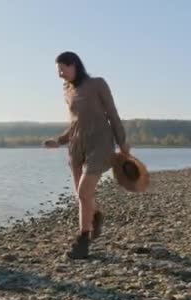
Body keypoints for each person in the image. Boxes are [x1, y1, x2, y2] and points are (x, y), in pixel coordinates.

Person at [44, 51, 130, 259]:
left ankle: (82, 241)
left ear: (73, 65)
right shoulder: (67, 90)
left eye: (62, 70)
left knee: (84, 193)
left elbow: (112, 113)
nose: (60, 75)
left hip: (100, 143)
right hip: (76, 146)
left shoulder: (98, 84)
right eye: (58, 72)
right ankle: (96, 215)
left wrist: (122, 142)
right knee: (82, 194)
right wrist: (60, 141)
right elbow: (75, 122)